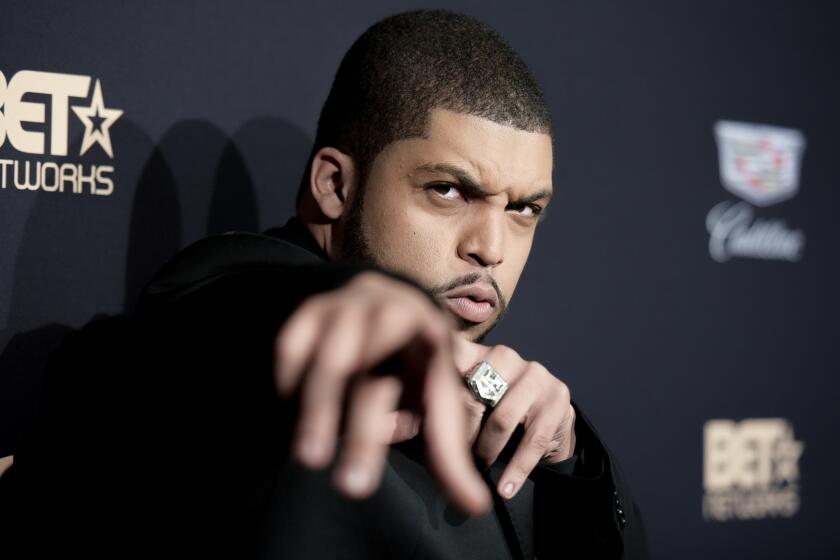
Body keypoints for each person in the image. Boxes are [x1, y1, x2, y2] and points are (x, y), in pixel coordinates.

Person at [0, 9, 648, 559]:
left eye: (523, 210)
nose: (491, 246)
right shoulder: (218, 316)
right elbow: (214, 317)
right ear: (335, 185)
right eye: (447, 191)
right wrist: (359, 298)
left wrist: (571, 455)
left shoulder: (507, 396)